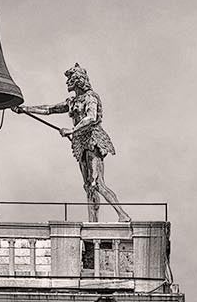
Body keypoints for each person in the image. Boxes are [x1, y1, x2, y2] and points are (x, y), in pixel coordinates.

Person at [24, 64, 128, 223]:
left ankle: (123, 214)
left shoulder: (90, 98)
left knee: (97, 183)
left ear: (78, 80)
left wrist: (72, 130)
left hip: (93, 140)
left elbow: (91, 117)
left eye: (70, 79)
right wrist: (26, 109)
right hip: (80, 143)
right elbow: (49, 109)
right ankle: (93, 222)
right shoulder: (72, 101)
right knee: (88, 185)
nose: (67, 83)